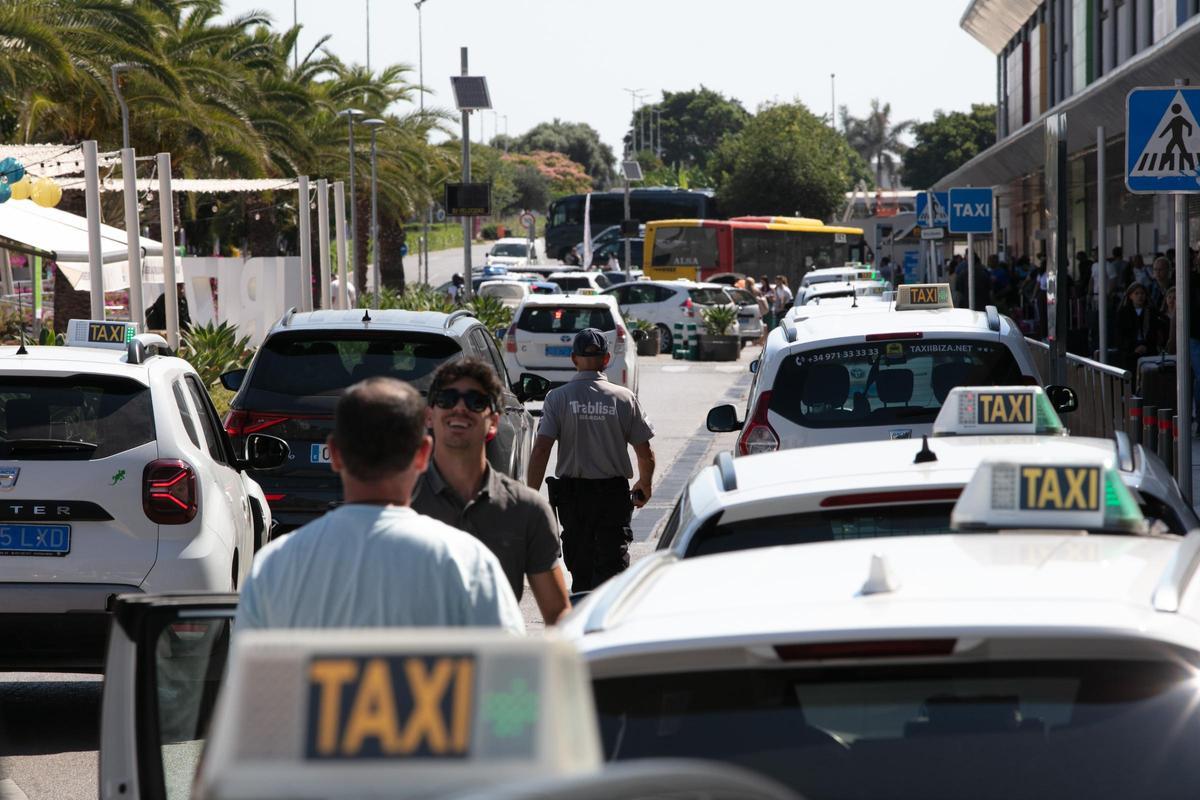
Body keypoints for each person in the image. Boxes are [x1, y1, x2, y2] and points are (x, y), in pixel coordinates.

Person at [235, 376, 524, 633]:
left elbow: (250, 685)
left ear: (334, 453)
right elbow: (511, 685)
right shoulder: (468, 564)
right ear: (424, 454)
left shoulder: (274, 567)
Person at [412, 358, 571, 625]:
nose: (460, 408)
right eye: (447, 399)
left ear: (494, 422)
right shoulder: (401, 502)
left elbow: (558, 616)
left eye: (475, 401)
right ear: (430, 415)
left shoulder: (527, 510)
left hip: (494, 663)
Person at [527, 329, 655, 592]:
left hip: (574, 497)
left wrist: (530, 495)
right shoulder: (624, 398)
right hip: (612, 495)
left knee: (580, 564)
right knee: (612, 568)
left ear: (573, 358)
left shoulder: (557, 398)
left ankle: (581, 618)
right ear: (606, 359)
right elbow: (645, 452)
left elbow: (541, 450)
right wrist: (645, 484)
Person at [1115, 283, 1161, 373]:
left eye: (1142, 293)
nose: (1140, 296)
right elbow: (1120, 334)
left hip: (1148, 350)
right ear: (1130, 296)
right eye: (1136, 293)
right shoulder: (1123, 313)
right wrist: (1133, 348)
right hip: (1130, 351)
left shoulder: (1151, 312)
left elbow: (1154, 332)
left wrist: (1146, 346)